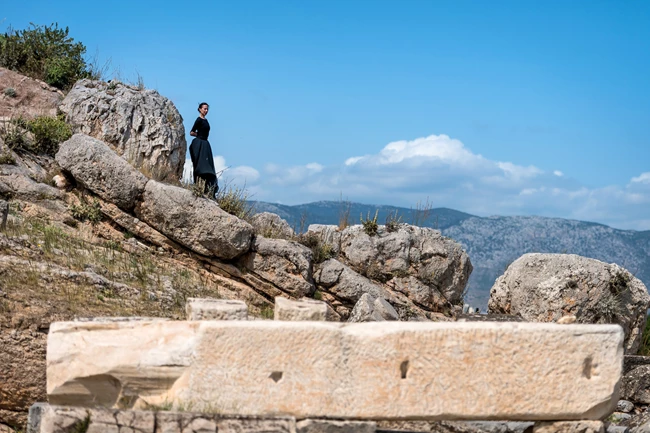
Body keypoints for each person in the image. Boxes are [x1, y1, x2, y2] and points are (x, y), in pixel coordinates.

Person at [189, 102, 218, 195]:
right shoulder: (199, 120)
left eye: (207, 109)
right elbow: (191, 132)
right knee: (200, 166)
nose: (206, 110)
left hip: (206, 144)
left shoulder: (206, 120)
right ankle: (198, 186)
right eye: (204, 109)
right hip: (199, 143)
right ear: (200, 109)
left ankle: (207, 188)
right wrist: (199, 135)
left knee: (208, 166)